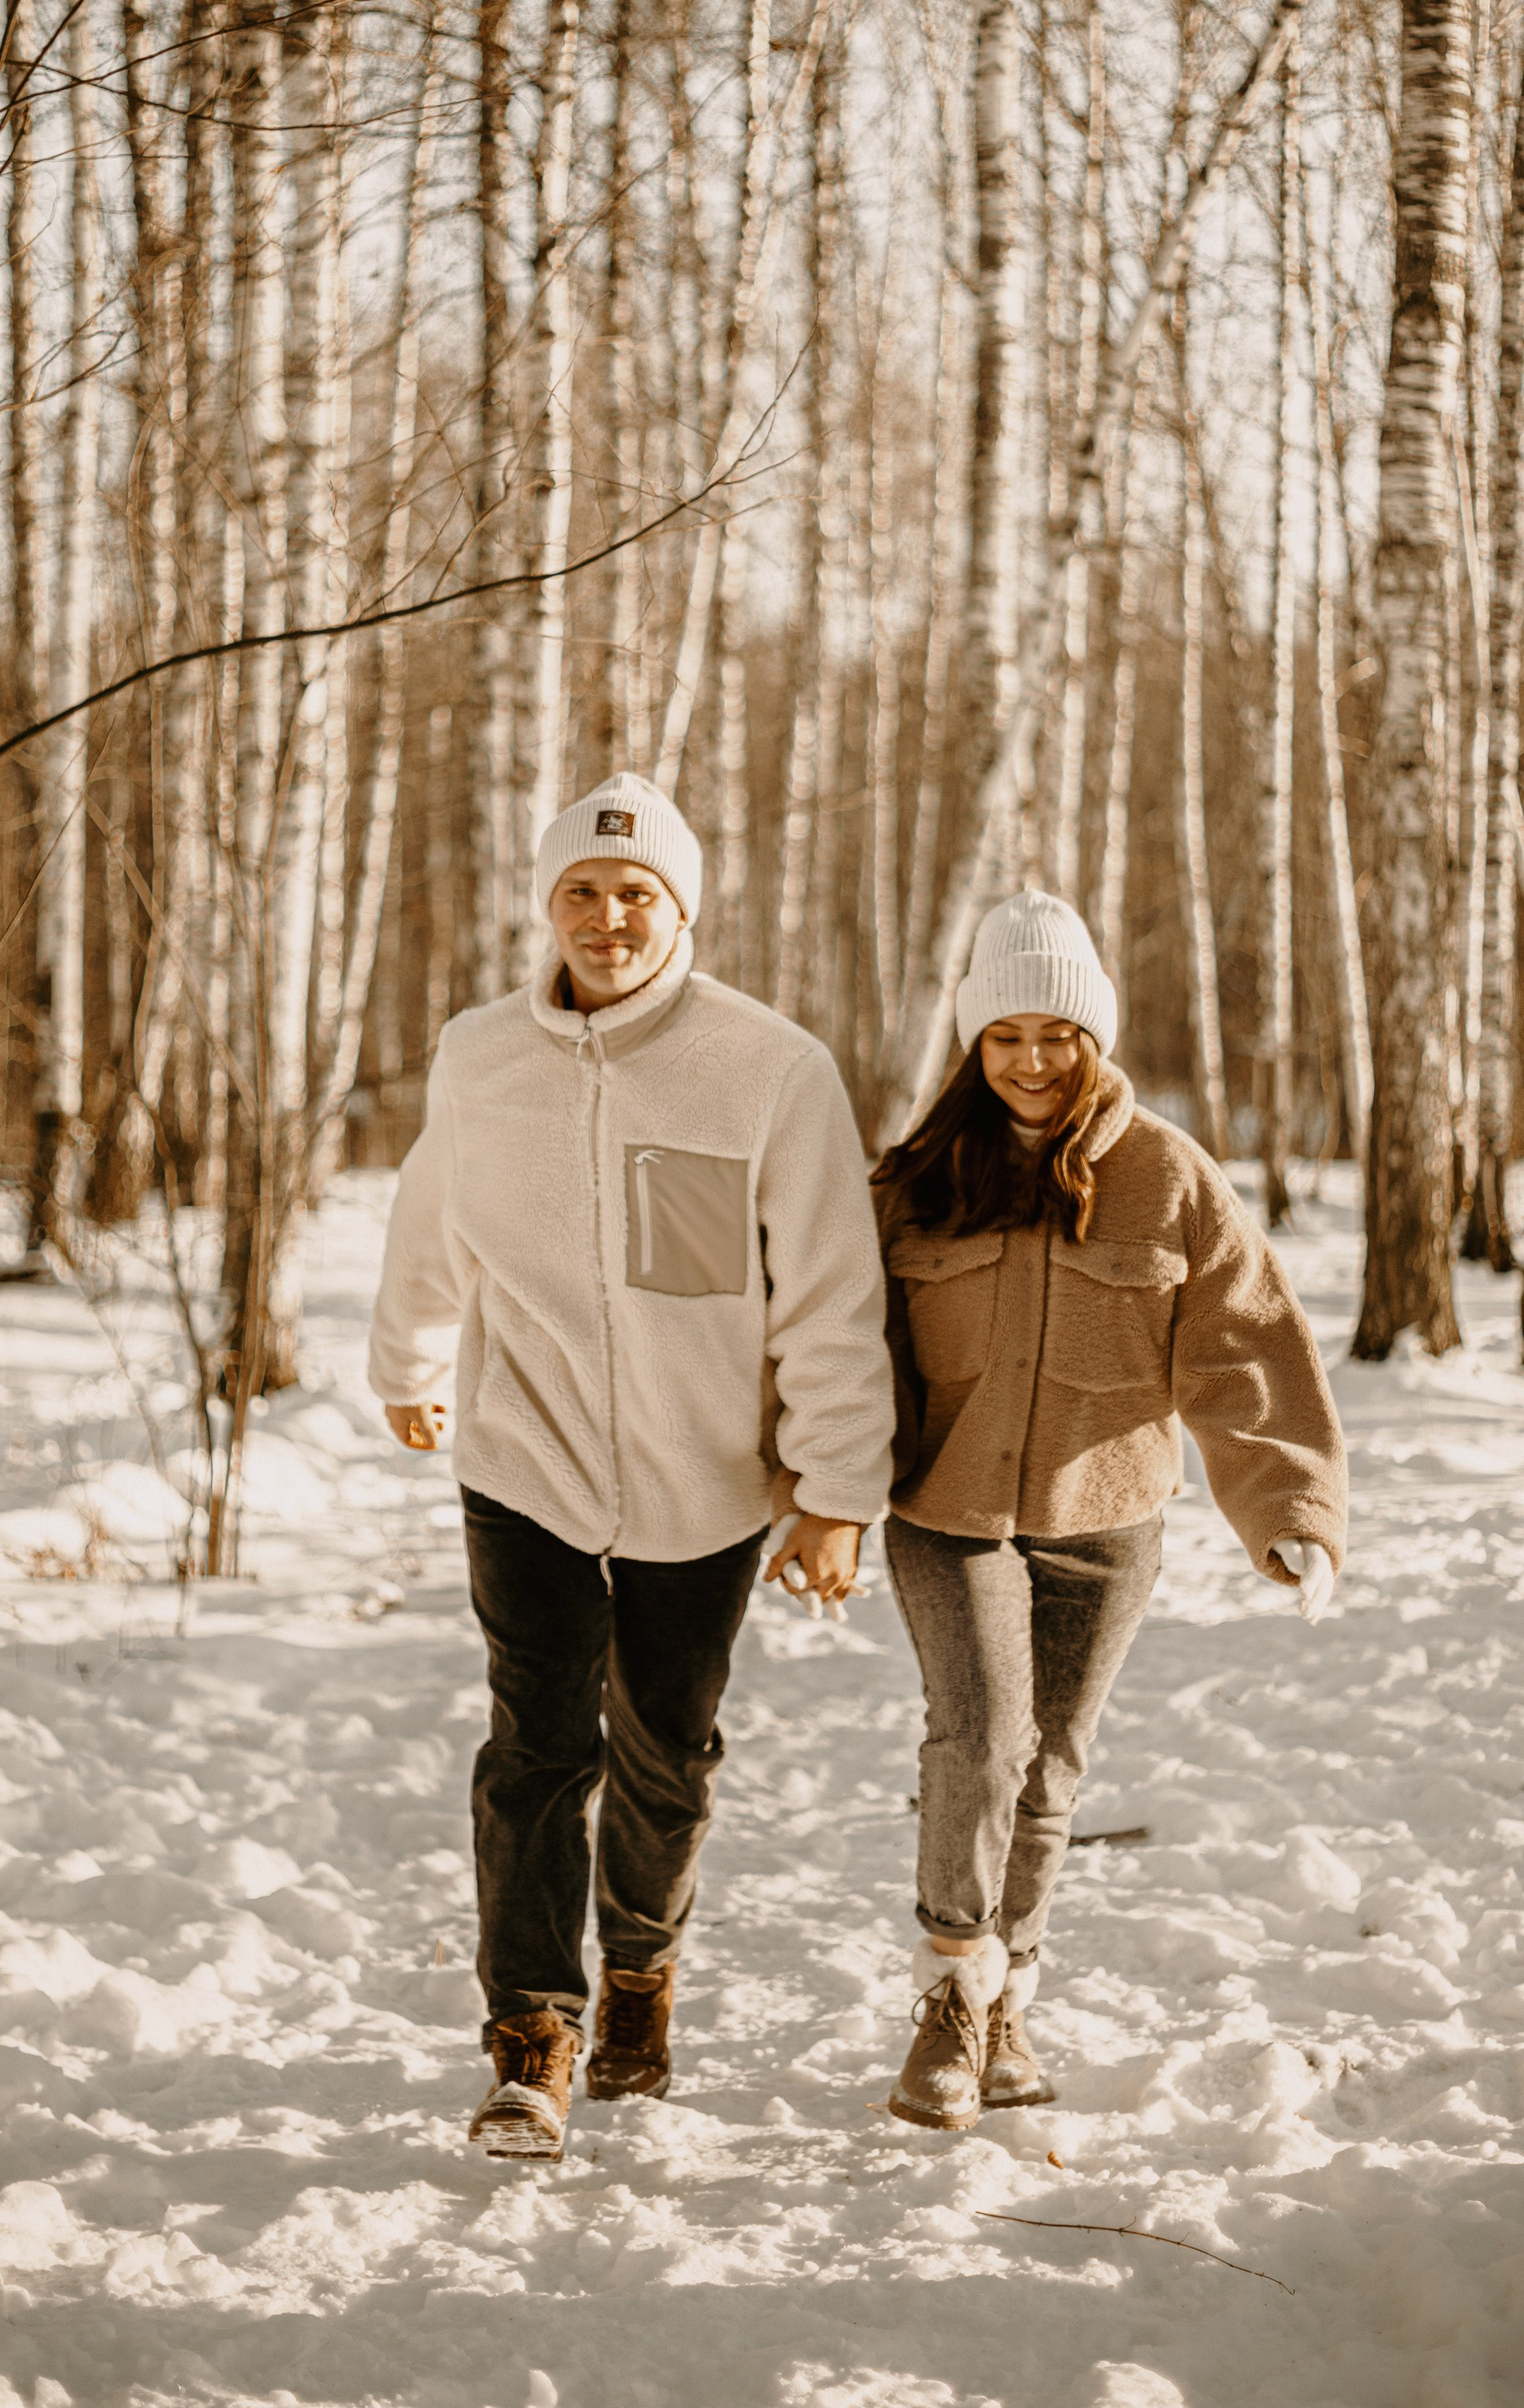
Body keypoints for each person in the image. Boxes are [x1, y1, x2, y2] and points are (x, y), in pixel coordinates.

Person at [368, 771, 894, 2161]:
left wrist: (838, 1488)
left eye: (637, 894)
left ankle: (642, 1972)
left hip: (702, 1472)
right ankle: (530, 2030)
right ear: (549, 907)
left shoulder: (768, 1067)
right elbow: (433, 1213)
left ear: (683, 910)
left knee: (665, 1748)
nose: (609, 918)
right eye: (583, 894)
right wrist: (410, 1363)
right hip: (522, 1451)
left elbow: (831, 1292)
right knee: (535, 1745)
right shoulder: (480, 1055)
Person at [872, 890, 1347, 2132]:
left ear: (1099, 1038)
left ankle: (1009, 1996)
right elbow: (841, 1347)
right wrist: (813, 1495)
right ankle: (947, 1996)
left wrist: (1289, 1505)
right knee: (979, 1740)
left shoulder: (1168, 1177)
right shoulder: (918, 1179)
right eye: (1006, 1037)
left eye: (1059, 1035)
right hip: (948, 1506)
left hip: (1107, 1515)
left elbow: (1243, 1348)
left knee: (1054, 1766)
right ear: (976, 1047)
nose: (1033, 1062)